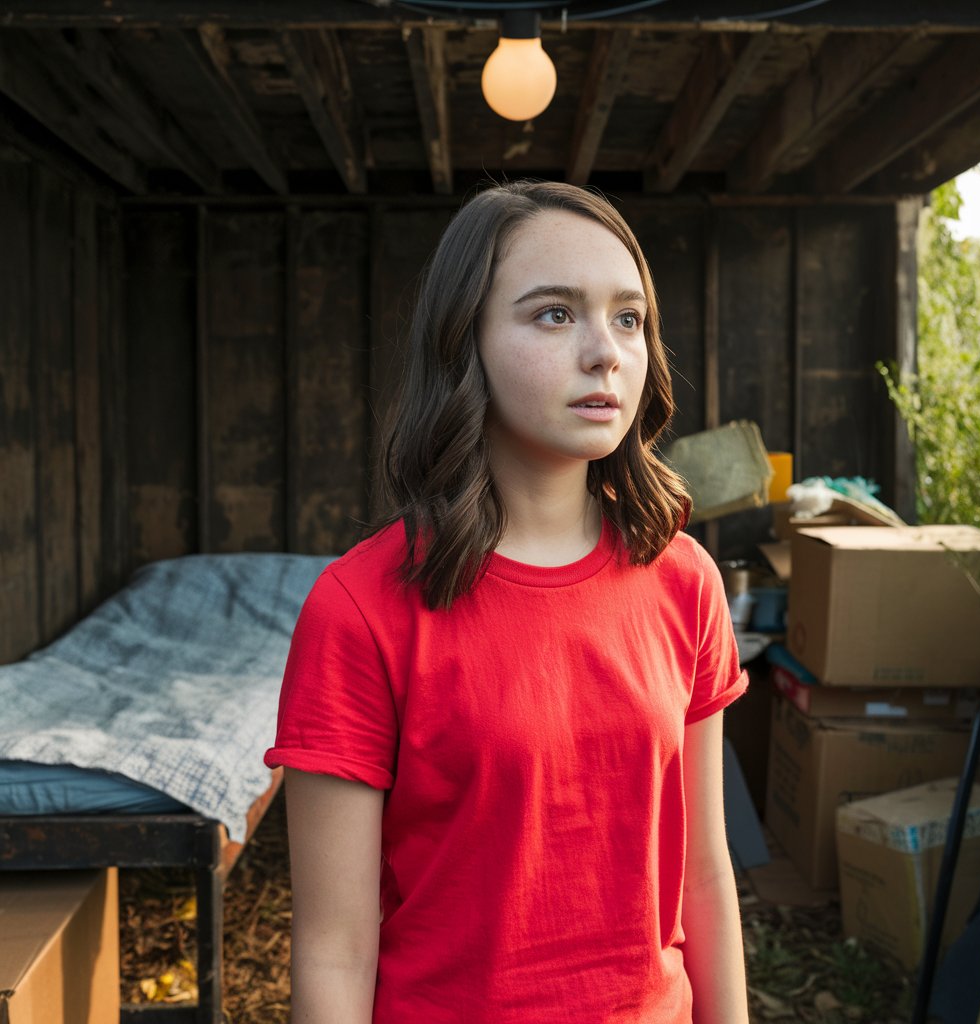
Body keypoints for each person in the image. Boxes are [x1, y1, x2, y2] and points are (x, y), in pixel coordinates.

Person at [265, 180, 749, 1024]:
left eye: (628, 318)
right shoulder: (359, 610)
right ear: (465, 343)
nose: (606, 352)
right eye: (554, 314)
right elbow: (335, 950)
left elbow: (704, 876)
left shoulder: (686, 581)